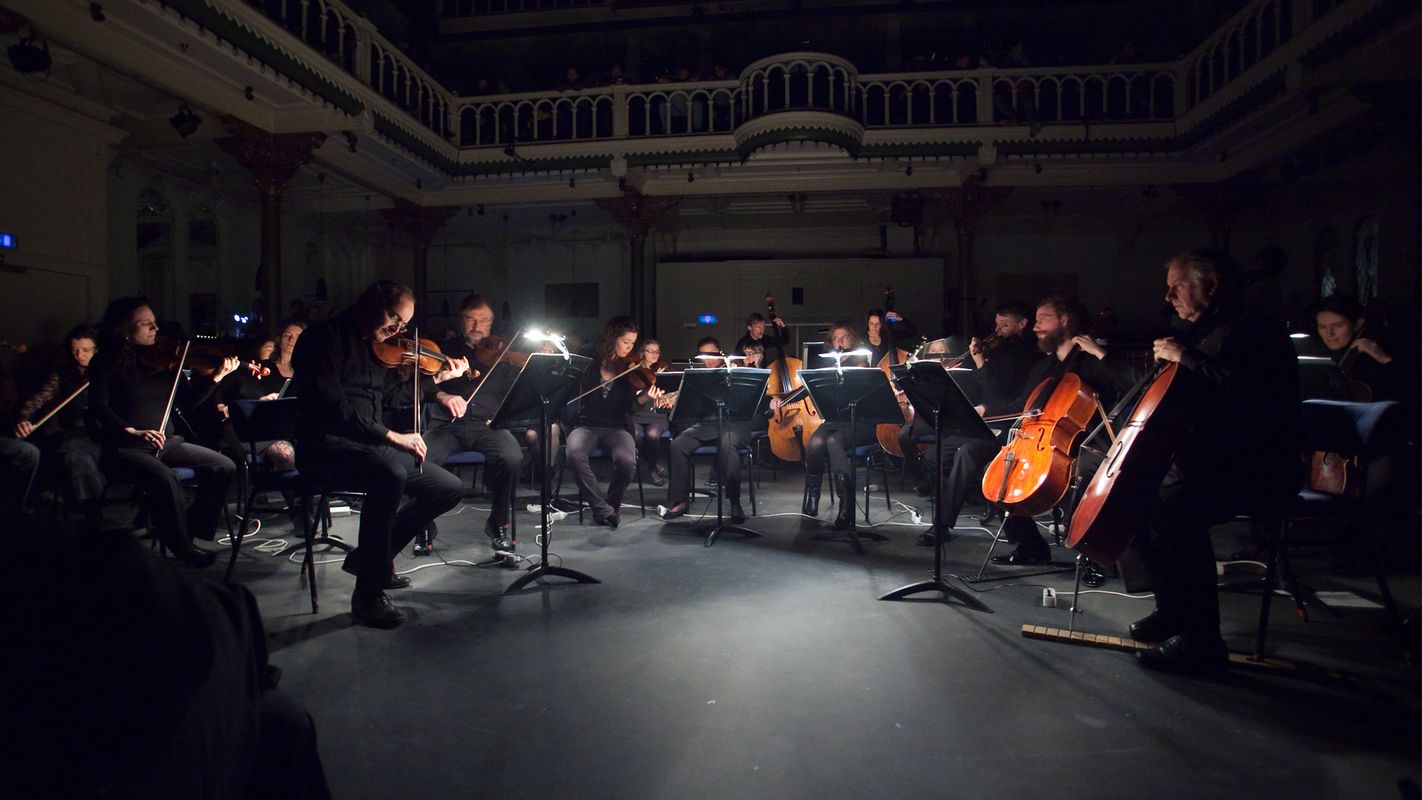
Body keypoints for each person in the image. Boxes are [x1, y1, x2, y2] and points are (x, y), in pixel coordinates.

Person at [1129, 249, 1301, 674]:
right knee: (1143, 496)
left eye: (1178, 286)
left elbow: (1246, 393)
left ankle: (1204, 642)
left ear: (1212, 285)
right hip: (1220, 458)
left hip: (1262, 465)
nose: (1168, 297)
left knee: (1177, 508)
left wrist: (1184, 357)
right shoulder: (1205, 330)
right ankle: (1173, 612)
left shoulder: (1253, 328)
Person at [291, 281, 467, 628]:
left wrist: (436, 380)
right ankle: (368, 596)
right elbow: (333, 408)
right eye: (393, 316)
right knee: (389, 474)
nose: (397, 329)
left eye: (402, 324)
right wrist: (392, 436)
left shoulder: (377, 349)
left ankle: (369, 559)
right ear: (370, 303)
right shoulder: (321, 339)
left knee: (448, 487)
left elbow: (391, 399)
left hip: (369, 447)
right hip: (325, 448)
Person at [89, 298, 239, 567]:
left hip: (167, 442)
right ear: (124, 328)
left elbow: (188, 404)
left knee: (224, 466)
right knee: (166, 479)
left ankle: (190, 530)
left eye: (155, 322)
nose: (155, 328)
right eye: (146, 323)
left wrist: (216, 378)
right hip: (126, 448)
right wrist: (131, 431)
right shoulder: (106, 361)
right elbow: (98, 407)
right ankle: (181, 545)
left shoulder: (167, 360)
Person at [985, 296, 1123, 565]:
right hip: (1044, 439)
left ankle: (1091, 555)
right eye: (1035, 321)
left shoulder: (1092, 362)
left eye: (1042, 320)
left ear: (1064, 320)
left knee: (1081, 474)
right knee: (998, 470)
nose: (1035, 327)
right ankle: (1030, 546)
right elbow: (1025, 407)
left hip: (1087, 439)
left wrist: (1102, 355)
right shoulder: (1042, 367)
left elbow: (1128, 385)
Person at [421, 293, 524, 559]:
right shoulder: (442, 350)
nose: (478, 326)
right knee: (420, 459)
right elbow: (424, 389)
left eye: (484, 321)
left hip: (488, 427)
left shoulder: (503, 354)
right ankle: (423, 524)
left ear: (491, 324)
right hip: (447, 426)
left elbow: (518, 390)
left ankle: (498, 523)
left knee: (511, 456)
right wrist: (444, 395)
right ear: (460, 320)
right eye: (471, 319)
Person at [564, 316, 657, 528]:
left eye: (633, 343)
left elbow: (630, 408)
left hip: (616, 427)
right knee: (574, 454)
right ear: (612, 338)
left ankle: (610, 507)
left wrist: (644, 398)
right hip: (586, 425)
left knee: (627, 461)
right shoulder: (589, 363)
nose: (630, 348)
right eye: (626, 342)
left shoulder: (630, 370)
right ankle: (601, 508)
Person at [14, 325, 105, 523]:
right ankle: (92, 512)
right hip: (75, 433)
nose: (79, 355)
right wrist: (23, 419)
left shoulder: (107, 374)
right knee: (76, 455)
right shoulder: (62, 374)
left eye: (86, 350)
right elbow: (37, 400)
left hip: (107, 433)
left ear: (97, 350)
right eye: (75, 350)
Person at [661, 337, 751, 524]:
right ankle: (680, 500)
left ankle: (735, 502)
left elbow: (747, 400)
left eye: (712, 355)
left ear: (720, 354)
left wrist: (736, 374)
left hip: (732, 424)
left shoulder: (731, 371)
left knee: (727, 444)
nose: (709, 360)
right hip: (707, 425)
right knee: (678, 445)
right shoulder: (698, 377)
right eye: (704, 356)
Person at [797, 321, 874, 529]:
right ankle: (813, 497)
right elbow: (806, 389)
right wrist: (782, 400)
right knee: (814, 443)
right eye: (835, 338)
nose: (839, 342)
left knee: (833, 441)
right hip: (835, 421)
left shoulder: (862, 362)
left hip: (860, 422)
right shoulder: (827, 364)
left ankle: (846, 504)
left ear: (852, 339)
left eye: (844, 337)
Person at [1313, 295, 1401, 401]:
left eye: (1338, 326)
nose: (1329, 334)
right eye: (1322, 327)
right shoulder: (1316, 355)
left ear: (1358, 324)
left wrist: (1385, 360)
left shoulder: (1375, 356)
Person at [628, 338, 670, 486]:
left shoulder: (664, 369)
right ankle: (650, 461)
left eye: (657, 351)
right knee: (636, 434)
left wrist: (667, 396)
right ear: (642, 353)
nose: (654, 354)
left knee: (652, 434)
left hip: (657, 415)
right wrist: (645, 396)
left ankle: (652, 469)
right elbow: (631, 402)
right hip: (637, 414)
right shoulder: (633, 371)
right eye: (650, 351)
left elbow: (671, 392)